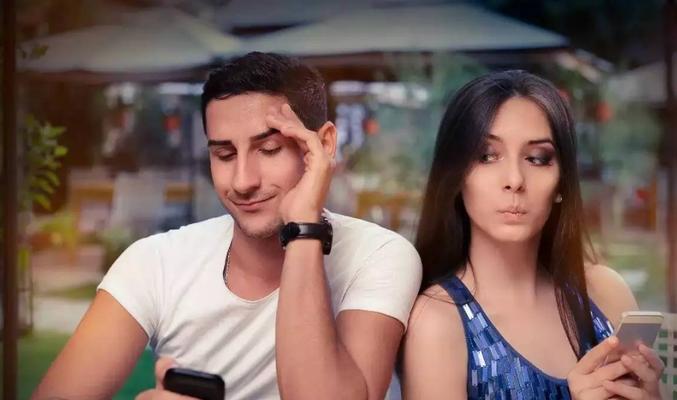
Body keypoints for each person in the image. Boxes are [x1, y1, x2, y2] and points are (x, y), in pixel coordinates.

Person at [33, 52, 422, 400]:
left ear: (323, 146)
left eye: (269, 149)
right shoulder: (155, 263)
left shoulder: (379, 257)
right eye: (224, 154)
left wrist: (303, 226)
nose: (242, 181)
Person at [401, 70, 664, 400]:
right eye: (487, 156)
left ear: (562, 182)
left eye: (537, 159)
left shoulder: (606, 294)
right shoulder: (437, 321)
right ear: (456, 177)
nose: (514, 179)